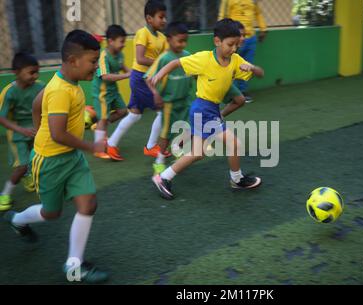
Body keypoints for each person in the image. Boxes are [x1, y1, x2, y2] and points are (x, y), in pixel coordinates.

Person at [3, 30, 109, 283]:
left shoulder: (63, 83)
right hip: (49, 162)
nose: (96, 67)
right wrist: (90, 147)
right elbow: (59, 134)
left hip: (71, 159)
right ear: (73, 60)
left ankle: (74, 265)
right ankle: (17, 220)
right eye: (93, 61)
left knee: (89, 204)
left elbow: (37, 103)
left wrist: (40, 127)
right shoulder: (61, 90)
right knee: (52, 213)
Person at [150, 19, 264, 200]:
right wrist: (158, 75)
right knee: (233, 143)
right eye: (230, 44)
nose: (233, 48)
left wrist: (251, 67)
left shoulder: (235, 60)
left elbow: (260, 74)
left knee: (198, 153)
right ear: (217, 41)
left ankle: (164, 177)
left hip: (208, 109)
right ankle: (237, 179)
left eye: (236, 44)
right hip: (203, 109)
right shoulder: (204, 58)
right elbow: (176, 63)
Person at [106, 0, 168, 161]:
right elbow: (140, 59)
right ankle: (150, 146)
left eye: (165, 17)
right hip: (140, 79)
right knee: (164, 111)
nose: (164, 21)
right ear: (149, 18)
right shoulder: (142, 33)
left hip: (149, 79)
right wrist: (160, 63)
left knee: (134, 115)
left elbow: (168, 56)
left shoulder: (162, 37)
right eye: (161, 17)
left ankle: (111, 144)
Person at [144, 22, 193, 175]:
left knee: (190, 129)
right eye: (180, 40)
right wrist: (156, 94)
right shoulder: (164, 58)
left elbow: (196, 72)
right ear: (169, 39)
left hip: (186, 101)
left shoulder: (187, 56)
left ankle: (177, 148)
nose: (183, 44)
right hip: (169, 104)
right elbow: (148, 78)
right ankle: (159, 161)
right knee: (165, 134)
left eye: (185, 41)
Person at [0, 53, 44, 211]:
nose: (35, 76)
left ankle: (29, 178)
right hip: (18, 134)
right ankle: (5, 194)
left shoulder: (40, 87)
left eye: (37, 72)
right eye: (31, 72)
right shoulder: (9, 92)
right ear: (16, 72)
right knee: (22, 166)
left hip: (37, 131)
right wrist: (21, 130)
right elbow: (2, 117)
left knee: (41, 159)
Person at [91, 25, 130, 160]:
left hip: (113, 91)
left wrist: (135, 74)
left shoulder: (120, 55)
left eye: (124, 41)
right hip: (102, 93)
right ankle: (98, 148)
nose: (123, 45)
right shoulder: (103, 56)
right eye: (121, 42)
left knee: (123, 111)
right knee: (103, 118)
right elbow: (105, 76)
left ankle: (99, 128)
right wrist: (126, 76)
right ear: (111, 41)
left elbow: (124, 68)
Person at [218, 0, 267, 103]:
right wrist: (220, 32)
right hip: (234, 37)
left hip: (250, 38)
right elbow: (222, 14)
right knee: (231, 65)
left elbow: (258, 13)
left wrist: (263, 29)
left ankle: (243, 91)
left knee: (246, 65)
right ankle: (232, 93)